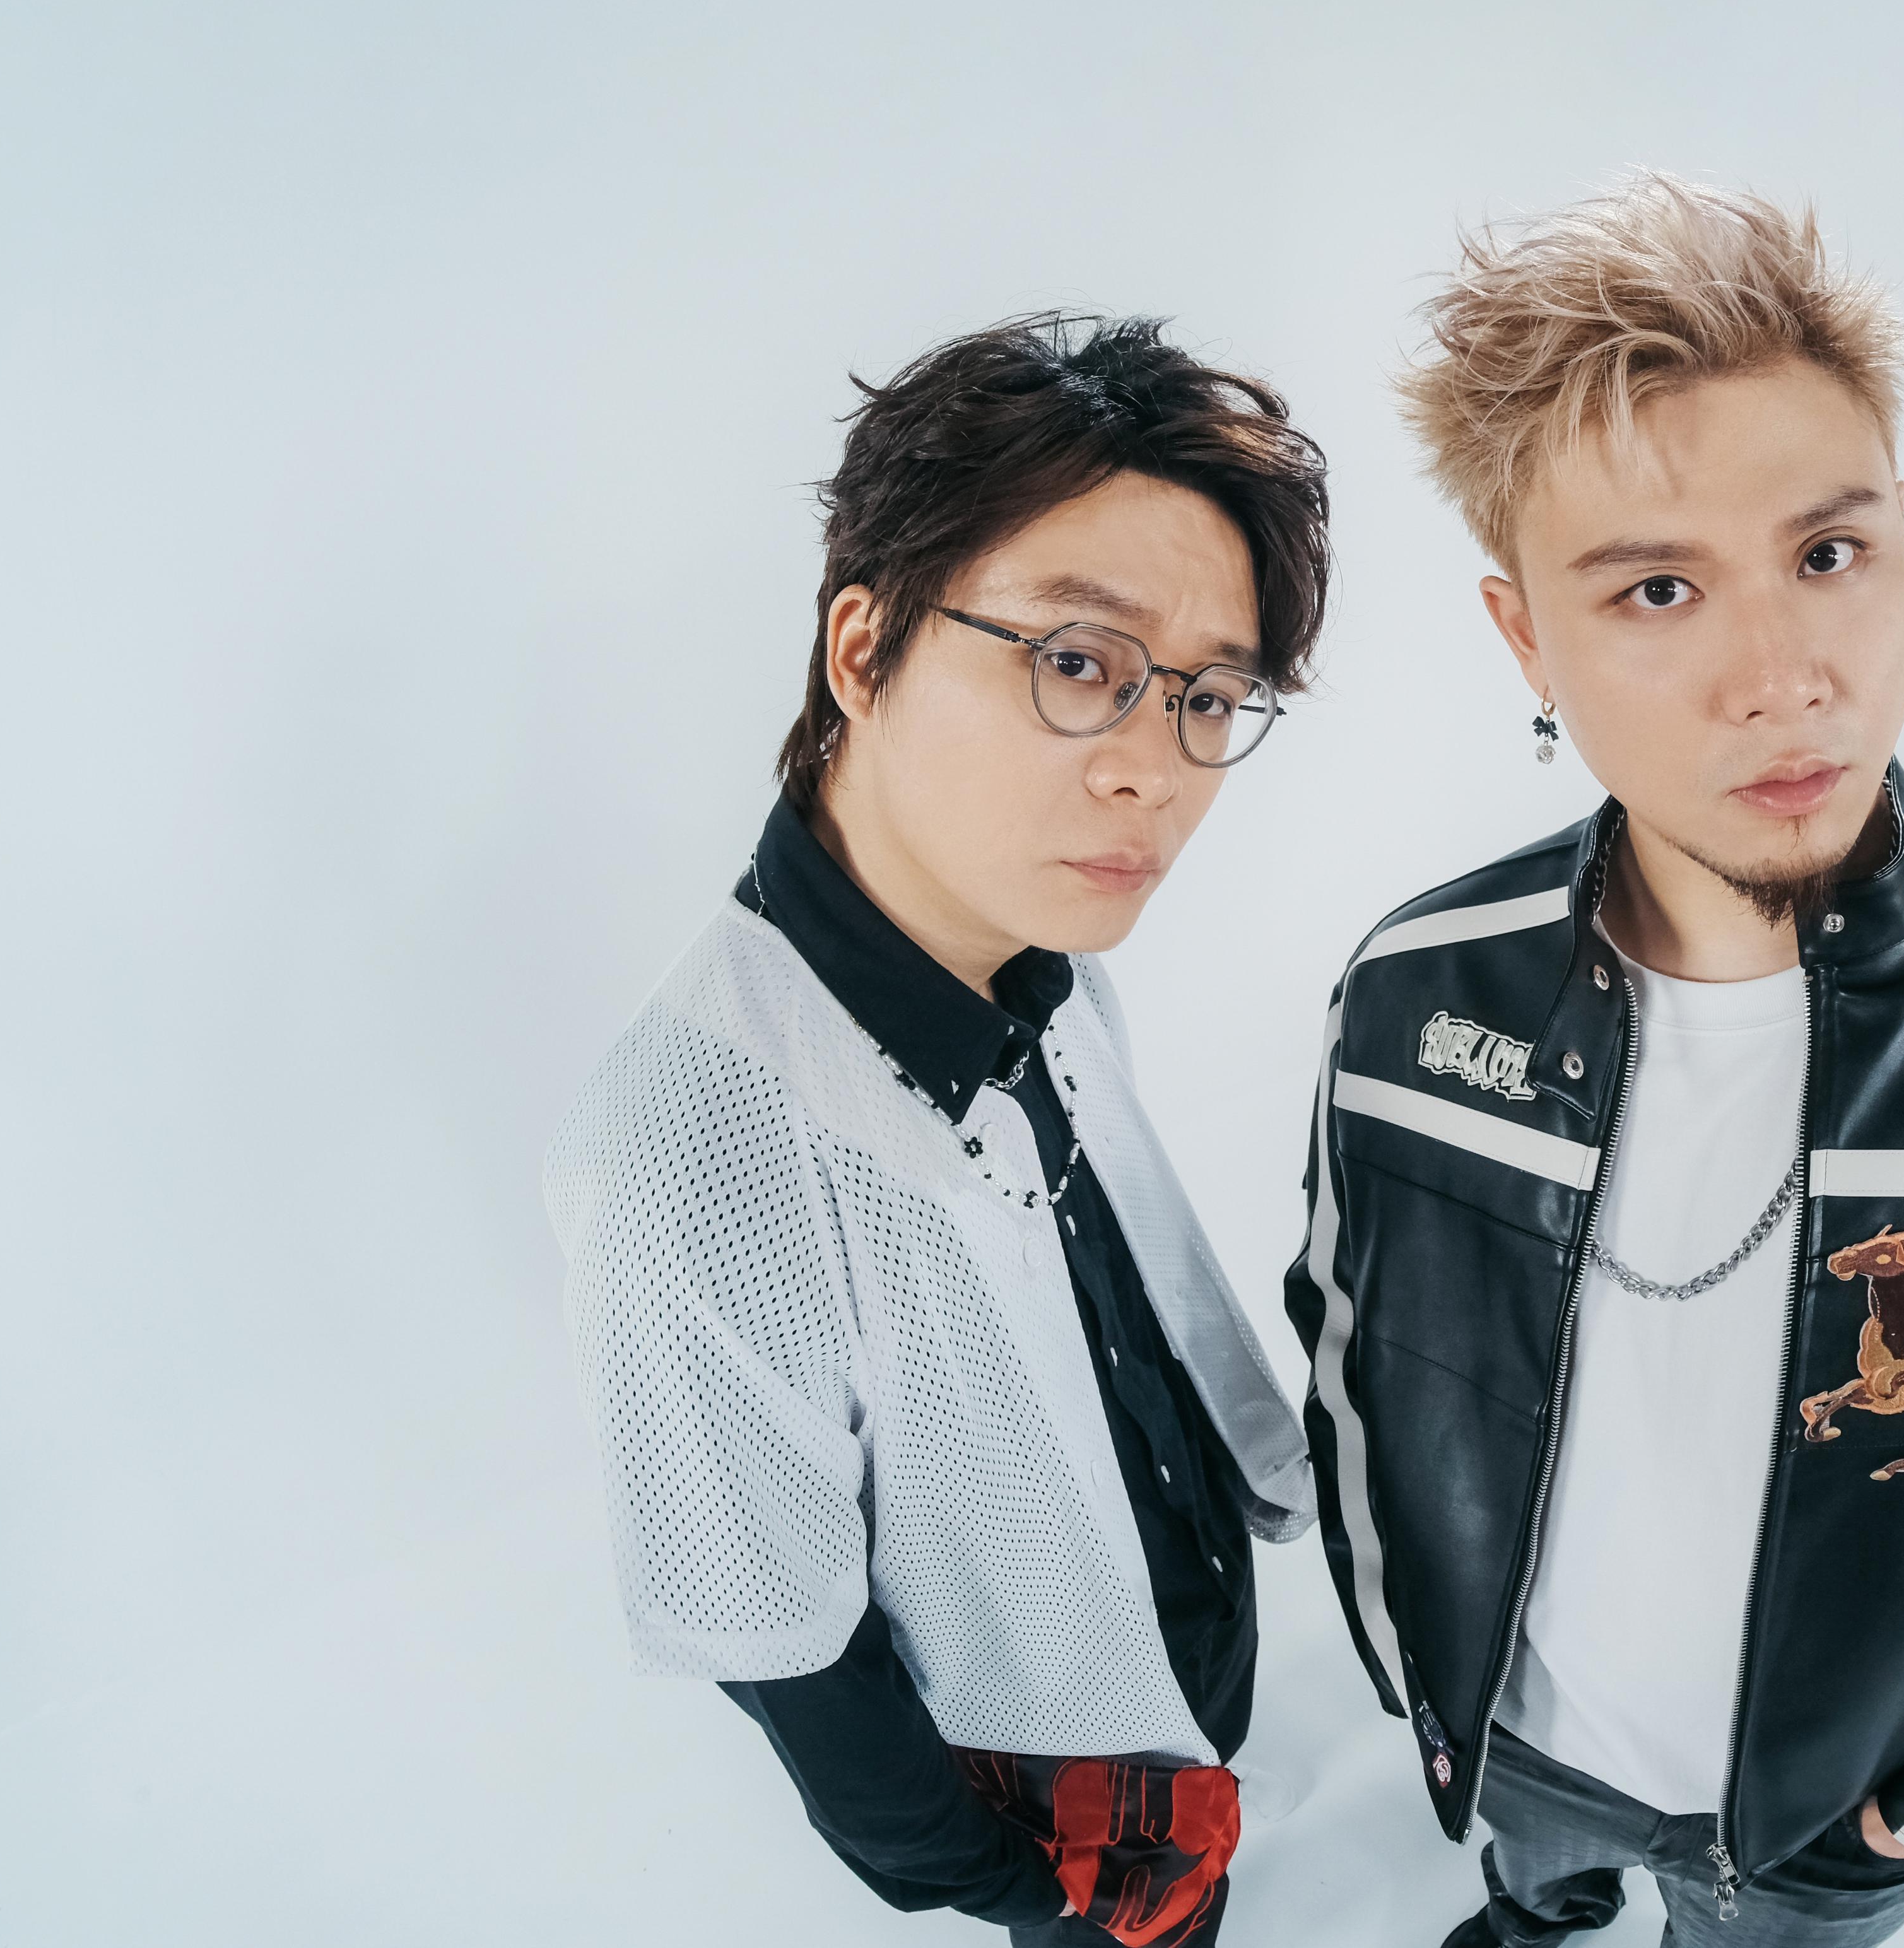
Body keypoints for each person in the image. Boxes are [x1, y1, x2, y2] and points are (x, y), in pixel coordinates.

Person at [1286, 177, 1904, 1946]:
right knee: (1531, 1910)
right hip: (1516, 1750)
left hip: (1828, 1823)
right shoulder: (1411, 998)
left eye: (1828, 556)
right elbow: (1355, 1365)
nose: (1784, 676)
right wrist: (1426, 1689)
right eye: (1659, 589)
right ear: (1528, 638)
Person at [548, 314, 1331, 1947]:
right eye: (1079, 663)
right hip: (1052, 1807)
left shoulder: (1044, 950)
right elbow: (781, 1641)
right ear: (864, 648)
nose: (1155, 770)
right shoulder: (695, 1133)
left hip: (1179, 1646)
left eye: (1209, 697)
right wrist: (1017, 1891)